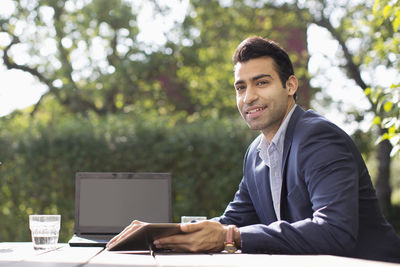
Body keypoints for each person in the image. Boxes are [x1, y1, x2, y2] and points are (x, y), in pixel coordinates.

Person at [107, 36, 400, 263]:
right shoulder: (255, 153)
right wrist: (165, 234)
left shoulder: (319, 138)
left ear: (290, 86)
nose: (249, 97)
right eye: (240, 87)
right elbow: (232, 221)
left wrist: (229, 236)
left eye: (261, 83)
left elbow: (335, 232)